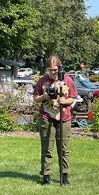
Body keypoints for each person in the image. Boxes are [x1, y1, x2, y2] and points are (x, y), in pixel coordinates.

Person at [34, 55, 78, 185]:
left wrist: (65, 101)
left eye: (55, 69)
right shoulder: (42, 81)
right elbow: (36, 98)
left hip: (64, 118)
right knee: (47, 147)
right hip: (47, 117)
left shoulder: (67, 80)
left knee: (63, 148)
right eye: (50, 70)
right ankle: (46, 176)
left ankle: (64, 176)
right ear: (47, 69)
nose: (53, 72)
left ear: (60, 68)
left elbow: (73, 97)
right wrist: (44, 96)